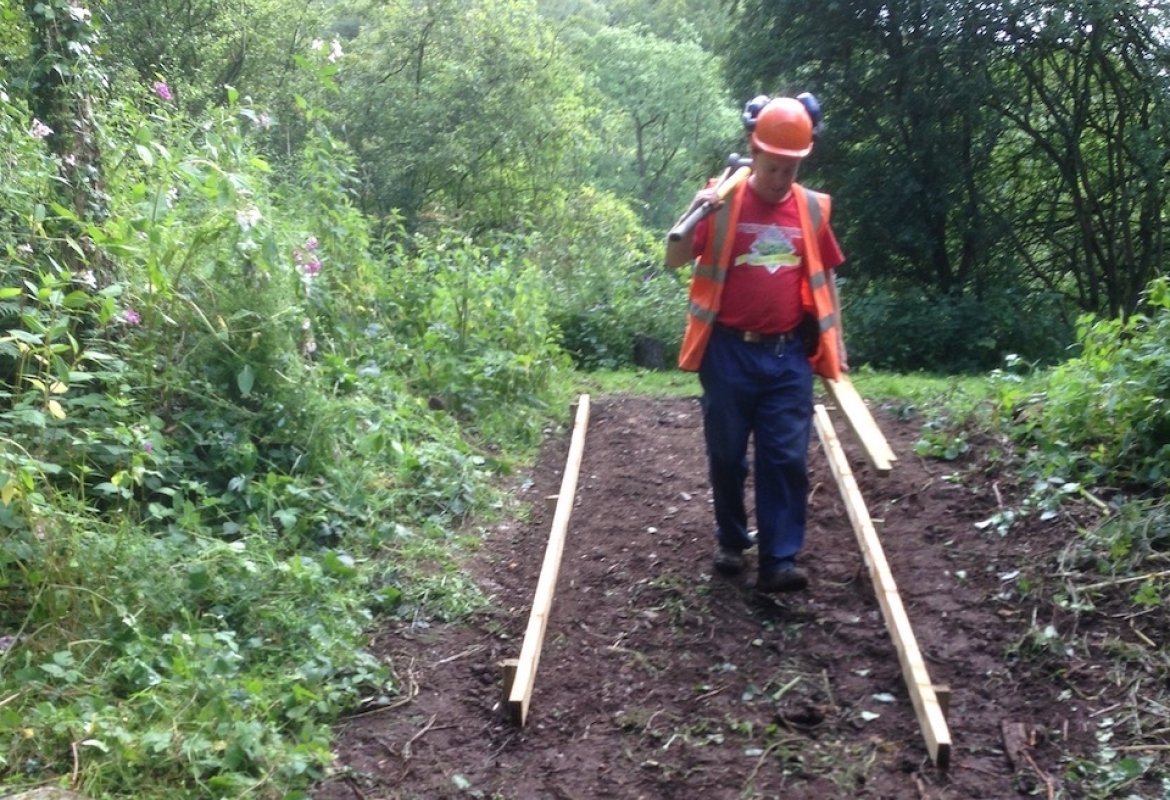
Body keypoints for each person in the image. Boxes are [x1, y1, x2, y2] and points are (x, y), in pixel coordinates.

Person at [664, 95, 848, 594]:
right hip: (728, 353)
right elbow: (673, 259)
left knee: (785, 458)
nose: (780, 178)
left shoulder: (810, 208)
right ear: (753, 150)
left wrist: (838, 343)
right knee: (726, 455)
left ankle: (778, 560)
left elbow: (825, 274)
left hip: (789, 355)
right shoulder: (720, 200)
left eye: (791, 169)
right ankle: (730, 539)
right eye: (772, 167)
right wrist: (696, 213)